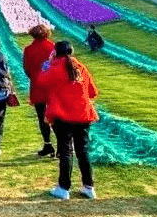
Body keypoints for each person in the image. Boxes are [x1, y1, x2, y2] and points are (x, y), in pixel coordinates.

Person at [36, 41, 99, 200]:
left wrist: (46, 65)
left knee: (66, 151)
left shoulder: (55, 67)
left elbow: (41, 81)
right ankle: (88, 187)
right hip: (83, 115)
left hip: (64, 116)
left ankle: (64, 188)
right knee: (82, 151)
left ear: (56, 53)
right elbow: (92, 92)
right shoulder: (80, 67)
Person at [23, 25, 56, 157]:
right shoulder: (53, 48)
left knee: (42, 117)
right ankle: (61, 146)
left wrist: (35, 77)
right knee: (56, 115)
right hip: (53, 87)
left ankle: (48, 144)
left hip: (37, 86)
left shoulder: (28, 50)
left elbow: (26, 69)